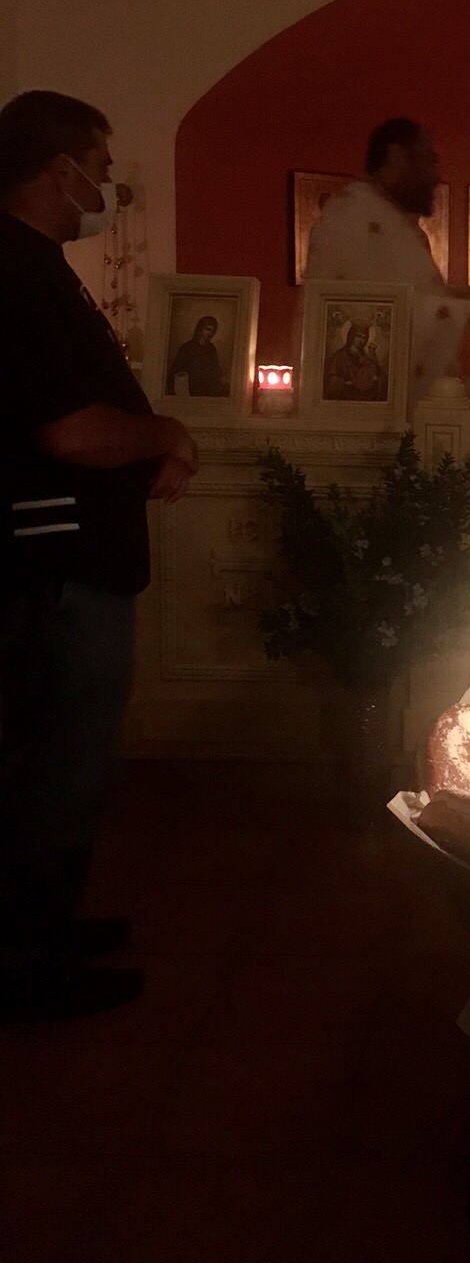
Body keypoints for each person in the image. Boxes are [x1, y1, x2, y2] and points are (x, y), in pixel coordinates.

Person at [0, 90, 199, 1021]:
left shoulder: (37, 264)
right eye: (100, 167)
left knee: (56, 765)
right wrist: (164, 434)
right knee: (56, 769)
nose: (108, 186)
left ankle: (45, 929)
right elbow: (71, 432)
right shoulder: (14, 272)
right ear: (58, 170)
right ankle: (28, 968)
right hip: (56, 569)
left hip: (70, 561)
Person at [304, 118, 470, 401]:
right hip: (361, 406)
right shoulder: (352, 220)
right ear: (396, 156)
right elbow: (377, 312)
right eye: (428, 160)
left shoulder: (391, 222)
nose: (436, 175)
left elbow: (421, 294)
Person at [165, 314, 228, 397]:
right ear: (200, 329)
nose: (210, 334)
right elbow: (176, 372)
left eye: (213, 331)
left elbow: (215, 369)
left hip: (207, 390)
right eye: (207, 329)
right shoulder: (187, 348)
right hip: (190, 389)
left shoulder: (211, 349)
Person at [324, 319, 385, 401]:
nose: (361, 340)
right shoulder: (339, 356)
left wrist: (373, 358)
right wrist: (344, 383)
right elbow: (331, 379)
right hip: (345, 395)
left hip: (365, 395)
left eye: (364, 338)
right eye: (358, 336)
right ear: (351, 336)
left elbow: (377, 375)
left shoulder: (366, 357)